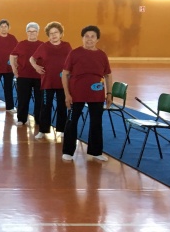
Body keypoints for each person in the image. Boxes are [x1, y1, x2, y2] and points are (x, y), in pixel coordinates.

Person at [61, 25, 113, 162]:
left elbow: (108, 75)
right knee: (71, 122)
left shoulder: (102, 55)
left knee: (96, 122)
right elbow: (65, 74)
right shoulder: (74, 53)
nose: (89, 39)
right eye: (86, 36)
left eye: (92, 37)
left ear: (97, 39)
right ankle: (68, 151)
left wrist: (109, 94)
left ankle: (96, 151)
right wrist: (67, 94)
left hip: (96, 94)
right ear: (82, 38)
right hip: (76, 94)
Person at [30, 21, 72, 139]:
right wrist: (36, 67)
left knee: (61, 106)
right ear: (48, 35)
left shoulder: (67, 46)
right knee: (45, 106)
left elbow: (72, 61)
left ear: (61, 34)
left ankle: (62, 130)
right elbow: (32, 59)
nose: (53, 35)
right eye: (51, 33)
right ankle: (43, 130)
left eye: (56, 32)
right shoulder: (44, 46)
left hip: (62, 82)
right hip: (47, 81)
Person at [10, 22, 43, 126]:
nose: (31, 33)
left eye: (34, 31)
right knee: (23, 98)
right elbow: (12, 56)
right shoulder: (21, 44)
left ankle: (39, 119)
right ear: (26, 32)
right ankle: (21, 119)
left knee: (39, 99)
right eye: (29, 31)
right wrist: (14, 70)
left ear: (37, 32)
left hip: (39, 76)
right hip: (23, 76)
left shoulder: (42, 45)